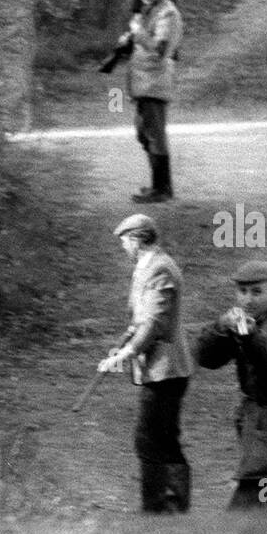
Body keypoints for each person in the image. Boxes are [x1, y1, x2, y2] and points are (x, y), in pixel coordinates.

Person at [195, 261, 267, 509]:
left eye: (257, 292)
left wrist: (251, 337)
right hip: (260, 440)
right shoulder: (246, 321)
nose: (248, 300)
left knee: (251, 515)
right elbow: (207, 359)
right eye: (243, 292)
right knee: (261, 519)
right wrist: (221, 328)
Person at [98, 213, 194, 513]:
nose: (124, 247)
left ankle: (158, 508)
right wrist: (122, 344)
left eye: (125, 241)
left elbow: (154, 323)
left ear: (137, 240)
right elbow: (139, 319)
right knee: (161, 438)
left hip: (167, 370)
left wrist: (127, 354)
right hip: (157, 369)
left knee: (151, 439)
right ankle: (172, 505)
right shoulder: (145, 267)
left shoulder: (160, 268)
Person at [119, 0, 182, 203]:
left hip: (155, 84)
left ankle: (163, 189)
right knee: (144, 133)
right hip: (143, 84)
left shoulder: (167, 14)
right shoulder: (149, 12)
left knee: (154, 135)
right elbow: (144, 44)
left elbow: (161, 49)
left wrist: (138, 31)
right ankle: (158, 186)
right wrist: (129, 40)